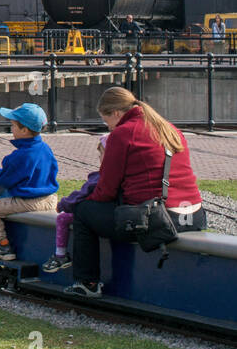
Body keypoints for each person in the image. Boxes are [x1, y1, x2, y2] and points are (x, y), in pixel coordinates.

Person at [66, 87, 205, 297]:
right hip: (193, 215)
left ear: (116, 114)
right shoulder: (168, 128)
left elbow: (106, 189)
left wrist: (84, 200)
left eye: (106, 121)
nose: (108, 127)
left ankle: (87, 283)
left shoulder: (123, 133)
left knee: (84, 212)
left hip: (161, 218)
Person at [0, 103, 59, 260]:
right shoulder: (45, 148)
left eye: (13, 125)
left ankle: (2, 246)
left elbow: (6, 179)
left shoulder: (19, 156)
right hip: (50, 199)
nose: (11, 128)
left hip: (28, 201)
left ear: (24, 130)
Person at [43, 136, 104, 273]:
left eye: (101, 154)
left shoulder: (98, 177)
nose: (100, 157)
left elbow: (80, 195)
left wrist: (63, 204)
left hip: (91, 214)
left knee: (62, 218)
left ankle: (61, 255)